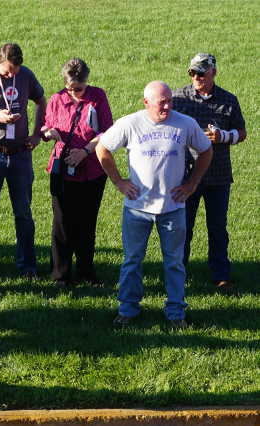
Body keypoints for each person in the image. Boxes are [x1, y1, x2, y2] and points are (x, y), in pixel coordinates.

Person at [96, 81, 213, 329]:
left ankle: (175, 313)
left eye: (170, 100)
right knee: (132, 261)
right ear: (146, 102)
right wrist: (119, 182)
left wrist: (192, 184)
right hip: (137, 209)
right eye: (162, 102)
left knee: (174, 262)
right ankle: (128, 310)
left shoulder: (185, 123)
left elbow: (206, 150)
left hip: (173, 208)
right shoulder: (130, 123)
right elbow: (103, 148)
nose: (167, 106)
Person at [0, 42, 47, 278]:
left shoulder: (25, 75)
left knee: (23, 213)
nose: (12, 75)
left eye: (15, 70)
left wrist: (36, 134)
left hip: (20, 154)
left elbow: (41, 101)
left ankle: (27, 266)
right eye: (7, 71)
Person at [172, 53, 247, 291]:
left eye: (201, 73)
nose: (196, 77)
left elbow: (242, 132)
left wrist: (224, 136)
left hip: (218, 176)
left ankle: (221, 274)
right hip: (186, 176)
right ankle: (178, 273)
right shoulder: (178, 98)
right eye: (192, 73)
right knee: (184, 227)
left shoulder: (228, 100)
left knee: (217, 228)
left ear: (214, 72)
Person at [41, 58, 113, 287]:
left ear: (86, 81)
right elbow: (46, 127)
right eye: (71, 88)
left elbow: (107, 132)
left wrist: (84, 151)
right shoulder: (56, 100)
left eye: (79, 88)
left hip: (91, 169)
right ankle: (60, 274)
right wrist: (48, 133)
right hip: (61, 168)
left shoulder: (98, 97)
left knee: (86, 222)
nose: (75, 93)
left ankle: (85, 272)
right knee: (61, 222)